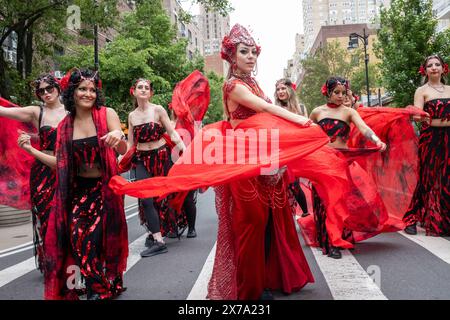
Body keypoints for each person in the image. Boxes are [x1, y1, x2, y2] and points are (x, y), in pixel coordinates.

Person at [44, 68, 128, 300]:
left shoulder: (106, 113)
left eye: (92, 89)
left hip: (104, 189)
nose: (88, 94)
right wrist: (31, 151)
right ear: (73, 92)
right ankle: (99, 285)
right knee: (77, 238)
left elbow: (124, 149)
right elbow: (60, 164)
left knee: (95, 240)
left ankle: (96, 289)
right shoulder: (64, 126)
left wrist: (118, 136)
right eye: (82, 89)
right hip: (77, 192)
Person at [308, 76, 390, 259]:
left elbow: (364, 128)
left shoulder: (348, 112)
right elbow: (308, 136)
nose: (340, 96)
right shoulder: (316, 112)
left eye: (343, 93)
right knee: (324, 201)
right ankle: (329, 241)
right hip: (321, 161)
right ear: (328, 92)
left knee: (338, 200)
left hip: (341, 161)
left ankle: (338, 237)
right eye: (336, 92)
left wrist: (377, 140)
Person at [0, 74, 66, 273]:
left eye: (49, 88)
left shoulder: (73, 110)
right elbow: (2, 111)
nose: (46, 93)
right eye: (41, 91)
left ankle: (70, 259)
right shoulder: (36, 112)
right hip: (43, 173)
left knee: (69, 216)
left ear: (58, 87)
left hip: (67, 170)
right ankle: (53, 262)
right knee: (46, 218)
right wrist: (30, 140)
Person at [127, 78, 187, 257]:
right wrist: (117, 160)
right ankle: (158, 239)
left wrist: (185, 151)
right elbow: (130, 144)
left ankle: (160, 230)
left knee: (162, 198)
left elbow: (173, 133)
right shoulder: (131, 116)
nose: (144, 90)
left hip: (161, 157)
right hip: (140, 159)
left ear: (150, 93)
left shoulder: (158, 109)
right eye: (140, 87)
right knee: (146, 199)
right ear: (134, 91)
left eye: (147, 88)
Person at [403, 54, 450, 236]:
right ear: (425, 70)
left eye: (437, 64)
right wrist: (420, 115)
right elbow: (417, 115)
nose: (434, 67)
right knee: (428, 178)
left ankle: (443, 219)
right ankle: (412, 218)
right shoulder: (421, 91)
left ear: (443, 68)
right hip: (431, 138)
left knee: (447, 178)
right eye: (430, 65)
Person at [274, 78, 310, 217]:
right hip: (279, 151)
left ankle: (305, 214)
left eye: (283, 88)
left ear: (290, 90)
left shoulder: (300, 108)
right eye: (278, 90)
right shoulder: (274, 109)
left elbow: (306, 129)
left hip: (295, 151)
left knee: (294, 185)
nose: (280, 92)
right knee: (277, 185)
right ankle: (282, 218)